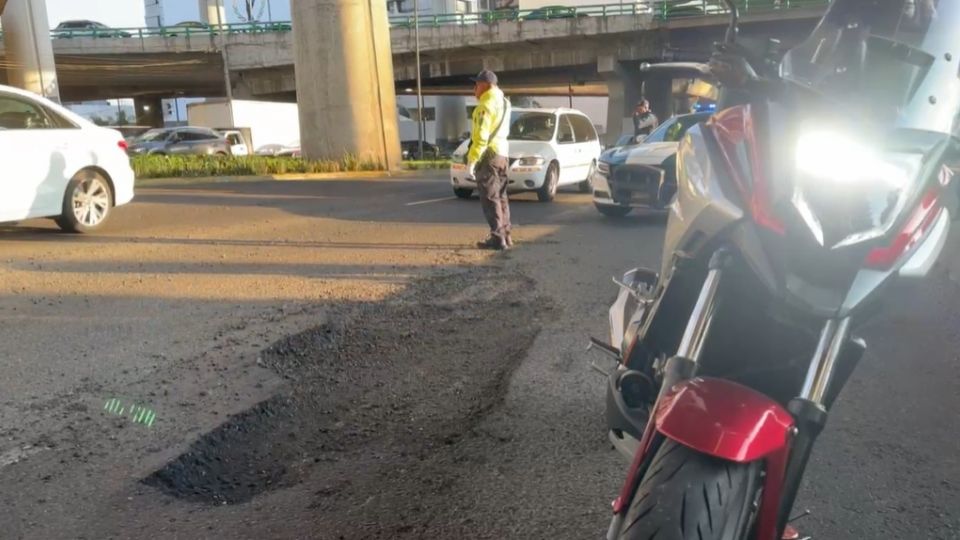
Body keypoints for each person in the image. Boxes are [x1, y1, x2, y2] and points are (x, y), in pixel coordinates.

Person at [464, 69, 513, 250]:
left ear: (486, 85)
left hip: (489, 156)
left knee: (490, 198)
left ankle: (497, 238)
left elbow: (481, 137)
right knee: (501, 197)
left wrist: (472, 161)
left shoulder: (485, 105)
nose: (474, 89)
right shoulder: (505, 102)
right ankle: (506, 236)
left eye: (476, 85)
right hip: (503, 155)